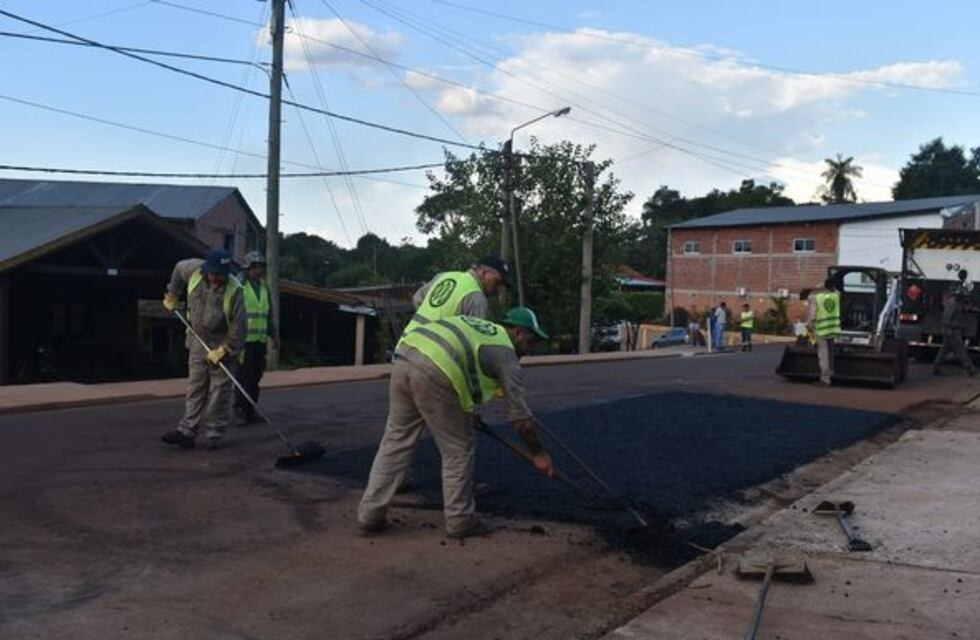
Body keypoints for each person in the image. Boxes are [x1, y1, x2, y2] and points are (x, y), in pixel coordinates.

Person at [358, 307, 554, 539]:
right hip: (434, 369)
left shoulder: (483, 330)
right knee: (458, 449)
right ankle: (460, 520)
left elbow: (463, 367)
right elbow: (521, 420)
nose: (531, 350)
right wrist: (539, 455)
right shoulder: (506, 354)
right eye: (531, 342)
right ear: (519, 333)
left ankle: (370, 515)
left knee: (396, 440)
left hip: (405, 357)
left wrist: (466, 412)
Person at [160, 249, 246, 450]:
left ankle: (214, 434)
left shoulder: (235, 291)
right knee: (195, 386)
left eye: (222, 276)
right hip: (197, 338)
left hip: (223, 342)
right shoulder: (192, 270)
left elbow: (239, 329)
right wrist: (173, 294)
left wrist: (225, 350)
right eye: (214, 274)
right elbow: (177, 269)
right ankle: (187, 432)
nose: (217, 279)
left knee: (219, 391)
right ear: (207, 270)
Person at [402, 256, 510, 336]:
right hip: (434, 356)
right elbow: (477, 341)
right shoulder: (477, 299)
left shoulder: (444, 276)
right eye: (497, 282)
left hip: (407, 343)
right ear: (484, 273)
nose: (498, 289)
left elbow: (417, 299)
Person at [234, 251, 278, 424]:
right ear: (247, 268)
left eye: (261, 267)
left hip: (259, 340)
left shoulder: (264, 287)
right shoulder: (239, 286)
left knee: (255, 377)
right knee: (243, 376)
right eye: (255, 267)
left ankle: (250, 410)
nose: (258, 271)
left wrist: (274, 335)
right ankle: (239, 410)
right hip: (243, 341)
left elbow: (269, 313)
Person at [933, 288, 977, 377]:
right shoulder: (953, 304)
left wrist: (971, 308)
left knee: (944, 350)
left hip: (951, 330)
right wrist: (948, 328)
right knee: (960, 351)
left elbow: (964, 310)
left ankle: (936, 367)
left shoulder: (956, 303)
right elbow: (947, 317)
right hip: (953, 330)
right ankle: (970, 368)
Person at [808, 278, 841, 386]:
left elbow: (812, 315)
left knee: (823, 355)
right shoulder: (836, 296)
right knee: (831, 353)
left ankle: (825, 379)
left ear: (824, 286)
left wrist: (809, 326)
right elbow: (836, 290)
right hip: (832, 328)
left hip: (821, 329)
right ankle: (831, 373)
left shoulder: (816, 298)